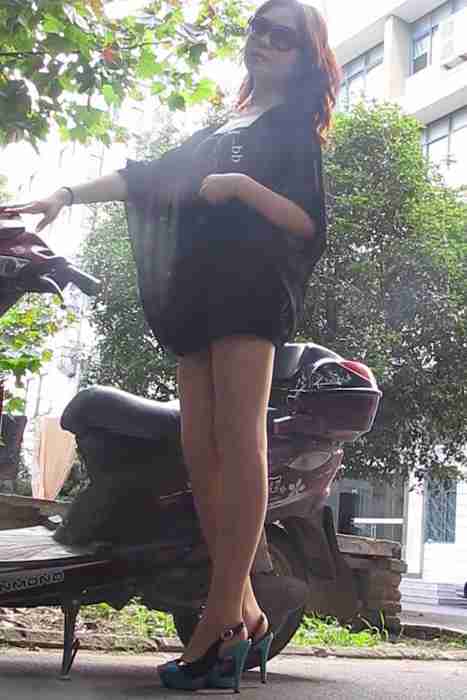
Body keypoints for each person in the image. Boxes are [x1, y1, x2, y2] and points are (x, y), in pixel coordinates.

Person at [8, 0, 341, 691]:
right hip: (196, 294)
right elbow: (147, 177)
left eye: (281, 37)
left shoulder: (291, 129)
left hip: (248, 294)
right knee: (200, 449)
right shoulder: (221, 126)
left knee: (237, 442)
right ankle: (244, 613)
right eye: (257, 28)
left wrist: (242, 187)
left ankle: (219, 617)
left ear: (305, 57)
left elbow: (307, 222)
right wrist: (64, 194)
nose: (263, 41)